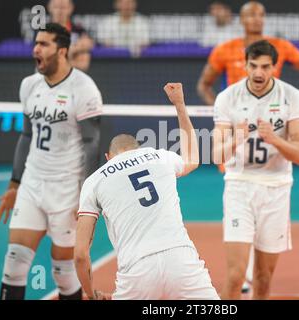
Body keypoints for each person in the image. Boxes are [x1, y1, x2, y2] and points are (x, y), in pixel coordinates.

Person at [74, 83, 219, 300]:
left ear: (108, 157)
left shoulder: (94, 180)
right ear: (138, 149)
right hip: (180, 258)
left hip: (136, 270)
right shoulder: (160, 157)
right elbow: (193, 158)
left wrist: (91, 294)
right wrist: (179, 104)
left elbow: (80, 255)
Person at [0, 23, 103, 300]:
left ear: (62, 51)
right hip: (32, 183)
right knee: (14, 262)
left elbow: (91, 142)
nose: (35, 49)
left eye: (43, 44)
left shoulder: (84, 88)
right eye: (36, 43)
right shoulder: (29, 85)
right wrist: (14, 184)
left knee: (64, 273)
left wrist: (85, 194)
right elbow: (27, 134)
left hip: (66, 188)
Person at [212, 40, 299, 299]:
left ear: (275, 68)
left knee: (264, 278)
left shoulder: (293, 97)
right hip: (238, 186)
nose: (258, 73)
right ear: (244, 65)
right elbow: (215, 154)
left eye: (265, 67)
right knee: (235, 277)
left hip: (276, 189)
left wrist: (275, 139)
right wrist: (236, 138)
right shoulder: (227, 98)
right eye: (253, 66)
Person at [197, 1, 299, 106]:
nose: (257, 19)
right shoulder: (225, 49)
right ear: (242, 20)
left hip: (270, 114)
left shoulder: (280, 46)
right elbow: (204, 85)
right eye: (251, 15)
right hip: (236, 116)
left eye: (261, 15)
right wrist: (220, 110)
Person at [48, 0, 94, 71]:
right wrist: (72, 51)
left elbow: (84, 64)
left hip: (73, 76)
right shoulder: (42, 31)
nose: (60, 11)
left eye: (63, 7)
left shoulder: (79, 31)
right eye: (56, 7)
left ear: (70, 8)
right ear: (49, 7)